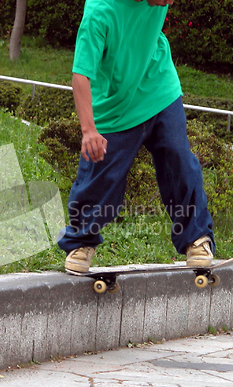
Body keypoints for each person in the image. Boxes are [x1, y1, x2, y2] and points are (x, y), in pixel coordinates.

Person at [57, 0, 215, 273]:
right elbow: (80, 75)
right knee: (100, 174)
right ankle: (81, 241)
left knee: (178, 157)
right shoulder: (100, 11)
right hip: (116, 107)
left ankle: (197, 238)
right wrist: (88, 130)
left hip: (159, 89)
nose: (168, 2)